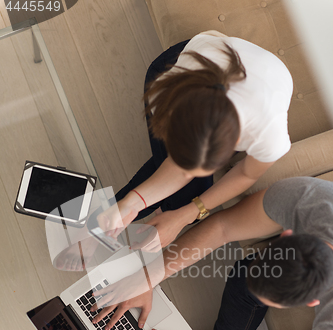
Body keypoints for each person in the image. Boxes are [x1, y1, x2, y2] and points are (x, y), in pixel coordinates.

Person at [91, 176, 333, 330]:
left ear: (313, 301)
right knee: (243, 281)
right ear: (287, 235)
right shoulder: (310, 200)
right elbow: (223, 227)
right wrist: (148, 277)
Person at [97, 30, 293, 249]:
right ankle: (99, 227)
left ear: (237, 142)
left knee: (189, 196)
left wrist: (183, 216)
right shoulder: (165, 94)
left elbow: (247, 174)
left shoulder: (269, 136)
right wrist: (131, 204)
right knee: (186, 192)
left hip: (238, 75)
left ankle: (103, 225)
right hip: (182, 65)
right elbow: (180, 168)